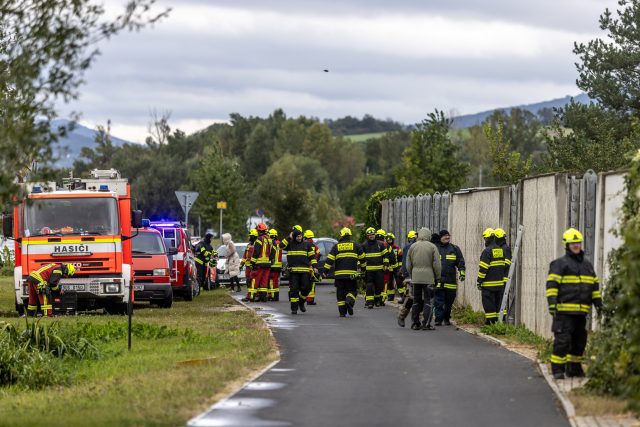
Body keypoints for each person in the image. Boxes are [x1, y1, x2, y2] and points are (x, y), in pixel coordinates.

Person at [547, 228, 602, 380]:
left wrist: (599, 305)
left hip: (581, 313)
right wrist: (552, 303)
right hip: (564, 312)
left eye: (578, 242)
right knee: (562, 342)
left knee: (579, 343)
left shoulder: (587, 266)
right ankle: (558, 370)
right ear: (567, 245)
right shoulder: (559, 264)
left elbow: (594, 288)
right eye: (573, 243)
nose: (576, 245)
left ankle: (574, 369)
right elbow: (551, 286)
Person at [323, 227, 364, 317]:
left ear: (341, 236)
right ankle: (349, 301)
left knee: (340, 293)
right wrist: (363, 270)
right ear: (350, 235)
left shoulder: (336, 246)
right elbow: (363, 259)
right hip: (351, 275)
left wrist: (325, 271)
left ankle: (342, 313)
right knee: (352, 290)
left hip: (339, 276)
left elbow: (329, 260)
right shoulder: (356, 245)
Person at [406, 228, 441, 330]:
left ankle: (415, 323)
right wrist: (437, 277)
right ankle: (426, 324)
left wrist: (412, 275)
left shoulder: (413, 246)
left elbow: (408, 264)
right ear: (429, 235)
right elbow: (437, 265)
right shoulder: (432, 247)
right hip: (429, 278)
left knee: (416, 300)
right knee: (428, 301)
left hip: (416, 278)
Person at [280, 227, 317, 314]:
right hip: (293, 272)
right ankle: (294, 309)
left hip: (305, 272)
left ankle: (301, 302)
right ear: (294, 237)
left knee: (306, 288)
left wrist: (315, 267)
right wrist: (289, 237)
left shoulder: (307, 245)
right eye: (297, 236)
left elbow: (312, 257)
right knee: (294, 290)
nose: (299, 238)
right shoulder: (289, 244)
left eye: (300, 236)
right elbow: (280, 246)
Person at [434, 230, 465, 326]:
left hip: (450, 280)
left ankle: (446, 318)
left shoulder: (454, 249)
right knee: (438, 301)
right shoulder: (435, 249)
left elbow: (460, 261)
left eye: (448, 236)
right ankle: (438, 319)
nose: (447, 237)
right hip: (438, 280)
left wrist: (462, 272)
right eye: (445, 236)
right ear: (440, 237)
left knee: (449, 301)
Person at [477, 228, 508, 324]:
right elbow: (503, 266)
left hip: (488, 285)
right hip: (499, 284)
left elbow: (483, 268)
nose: (485, 241)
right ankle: (500, 323)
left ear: (488, 238)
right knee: (498, 304)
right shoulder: (500, 250)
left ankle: (490, 323)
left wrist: (479, 281)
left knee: (489, 304)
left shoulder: (487, 251)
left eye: (485, 238)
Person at [361, 227, 389, 308]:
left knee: (379, 286)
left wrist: (386, 264)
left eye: (372, 234)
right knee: (369, 286)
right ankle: (370, 302)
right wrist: (360, 266)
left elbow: (385, 255)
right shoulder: (364, 245)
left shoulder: (380, 245)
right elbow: (360, 257)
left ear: (375, 235)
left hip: (379, 270)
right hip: (368, 270)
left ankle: (377, 300)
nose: (371, 236)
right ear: (367, 236)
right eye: (369, 235)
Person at [397, 230, 417, 327]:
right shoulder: (408, 248)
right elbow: (405, 262)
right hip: (411, 277)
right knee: (412, 298)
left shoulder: (426, 246)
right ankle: (402, 316)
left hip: (422, 277)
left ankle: (417, 321)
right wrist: (406, 275)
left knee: (420, 299)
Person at [250, 223, 272, 302]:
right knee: (264, 280)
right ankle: (263, 297)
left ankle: (252, 297)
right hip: (268, 264)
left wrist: (252, 262)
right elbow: (272, 252)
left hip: (259, 263)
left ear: (259, 230)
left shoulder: (259, 239)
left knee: (256, 280)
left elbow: (256, 252)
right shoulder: (269, 239)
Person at [376, 229, 394, 304]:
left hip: (374, 267)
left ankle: (374, 298)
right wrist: (392, 263)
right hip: (385, 267)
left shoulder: (372, 243)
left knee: (375, 282)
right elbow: (392, 257)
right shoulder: (387, 245)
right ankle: (382, 299)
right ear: (384, 236)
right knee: (385, 282)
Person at [241, 229, 258, 302]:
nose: (249, 238)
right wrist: (241, 264)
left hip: (254, 267)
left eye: (250, 236)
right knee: (248, 282)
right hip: (248, 268)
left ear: (253, 237)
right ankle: (249, 295)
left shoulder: (257, 245)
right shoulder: (248, 245)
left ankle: (255, 295)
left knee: (253, 281)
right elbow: (245, 256)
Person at [304, 229, 320, 305]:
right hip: (312, 268)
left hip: (303, 268)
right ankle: (310, 300)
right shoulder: (314, 246)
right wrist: (315, 263)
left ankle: (302, 298)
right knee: (312, 284)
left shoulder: (302, 245)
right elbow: (319, 254)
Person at [385, 233, 402, 302]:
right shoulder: (385, 248)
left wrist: (400, 266)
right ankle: (390, 297)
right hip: (388, 268)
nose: (389, 241)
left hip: (396, 268)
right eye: (387, 240)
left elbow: (400, 257)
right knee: (389, 283)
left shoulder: (397, 248)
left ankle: (402, 295)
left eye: (390, 240)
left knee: (399, 282)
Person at [268, 229, 282, 301]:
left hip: (272, 265)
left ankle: (272, 296)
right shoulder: (279, 243)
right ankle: (276, 296)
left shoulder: (271, 243)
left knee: (271, 281)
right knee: (276, 281)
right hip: (278, 266)